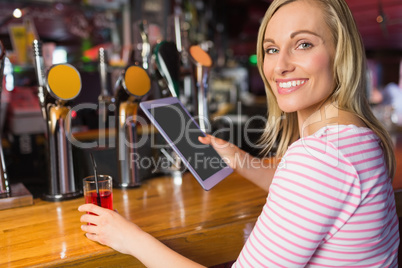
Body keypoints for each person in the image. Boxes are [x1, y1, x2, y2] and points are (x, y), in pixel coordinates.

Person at [78, 0, 399, 266]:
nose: (280, 66)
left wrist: (130, 238)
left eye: (303, 44)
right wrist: (240, 159)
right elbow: (317, 191)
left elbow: (315, 178)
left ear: (340, 52)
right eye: (272, 49)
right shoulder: (357, 137)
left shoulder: (320, 159)